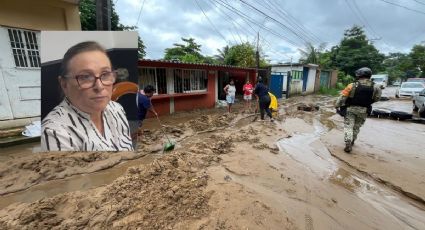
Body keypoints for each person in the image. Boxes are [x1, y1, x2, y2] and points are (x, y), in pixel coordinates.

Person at [41, 41, 134, 151]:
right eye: (85, 77)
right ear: (64, 84)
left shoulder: (117, 109)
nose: (99, 87)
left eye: (105, 74)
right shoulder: (55, 134)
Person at [335, 67, 382, 153]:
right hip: (364, 110)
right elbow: (377, 99)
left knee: (349, 126)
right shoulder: (376, 87)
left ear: (359, 75)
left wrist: (337, 105)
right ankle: (352, 141)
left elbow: (343, 97)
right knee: (356, 127)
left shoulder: (352, 85)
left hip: (350, 109)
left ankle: (348, 142)